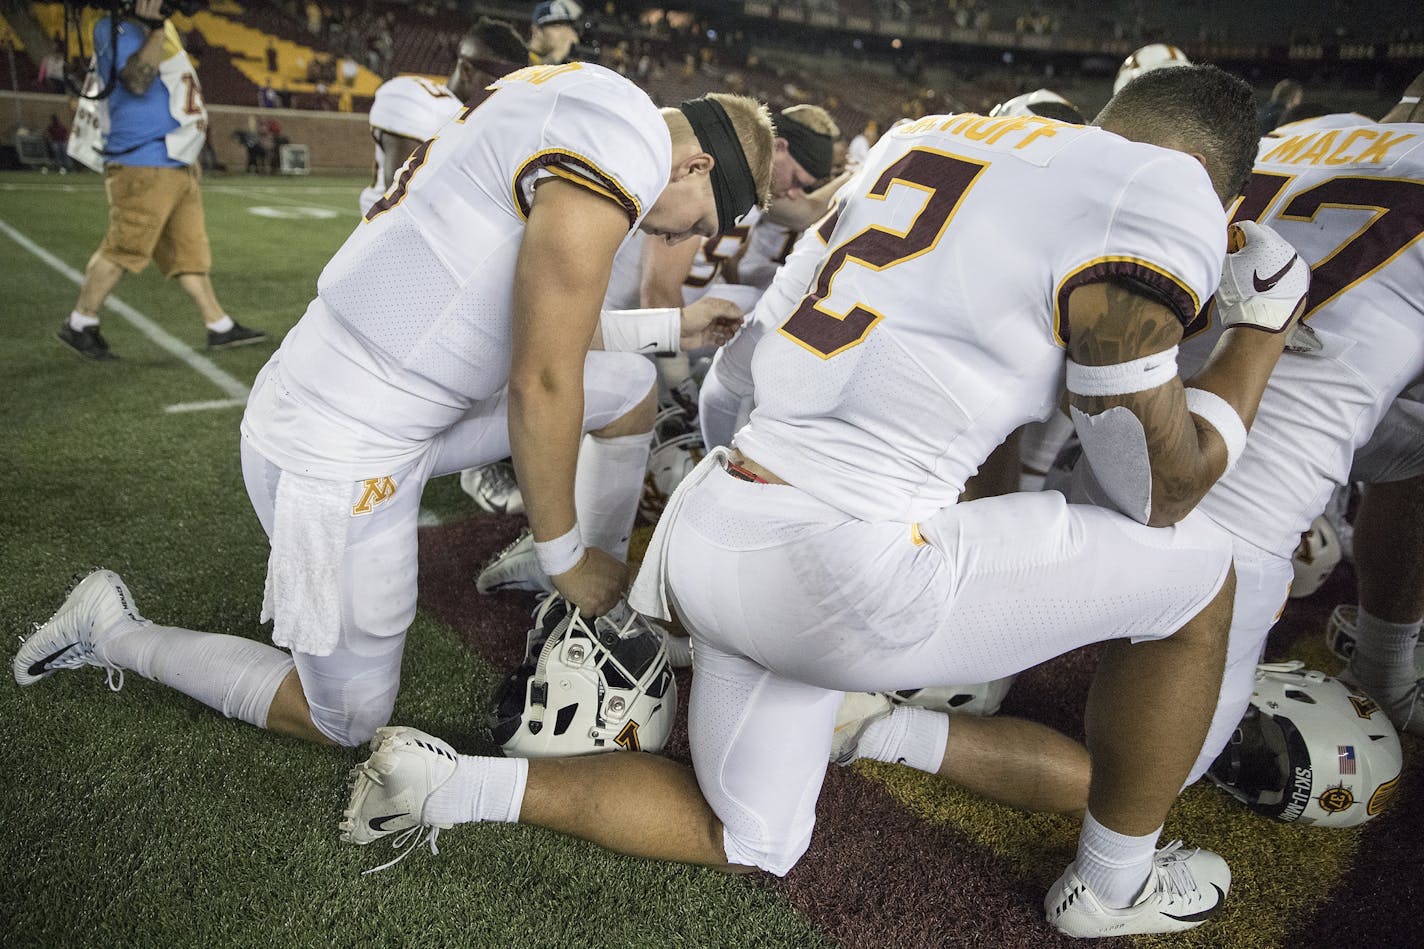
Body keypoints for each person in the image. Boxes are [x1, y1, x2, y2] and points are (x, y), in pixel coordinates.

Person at [337, 66, 1302, 939]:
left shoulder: (928, 134)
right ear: (1214, 184)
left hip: (717, 524)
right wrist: (1256, 330)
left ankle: (451, 784)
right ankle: (1114, 881)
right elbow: (1153, 487)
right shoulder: (1159, 185)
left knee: (754, 833)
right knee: (1203, 572)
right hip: (851, 573)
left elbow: (733, 380)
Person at [17, 66, 773, 760]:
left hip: (380, 400)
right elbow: (540, 377)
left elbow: (529, 322)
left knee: (627, 388)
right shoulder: (627, 146)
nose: (683, 239)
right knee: (343, 718)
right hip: (338, 454)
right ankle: (113, 630)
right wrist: (564, 557)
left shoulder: (587, 92)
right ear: (695, 165)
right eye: (700, 220)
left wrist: (672, 328)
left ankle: (575, 607)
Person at [471, 103, 842, 584]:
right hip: (522, 355)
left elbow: (811, 207)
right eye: (799, 175)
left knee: (648, 395)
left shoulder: (728, 184)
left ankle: (577, 547)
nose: (795, 190)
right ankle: (547, 538)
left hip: (587, 333)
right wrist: (679, 385)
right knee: (674, 465)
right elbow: (646, 294)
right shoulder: (654, 181)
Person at [59, 0, 264, 360]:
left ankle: (219, 325)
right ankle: (80, 322)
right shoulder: (113, 27)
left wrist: (158, 24)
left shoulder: (153, 28)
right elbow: (138, 80)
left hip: (175, 158)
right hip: (143, 159)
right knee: (124, 248)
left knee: (189, 253)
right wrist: (155, 27)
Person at [356, 16, 527, 217]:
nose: (507, 94)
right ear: (466, 71)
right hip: (395, 242)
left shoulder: (497, 121)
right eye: (500, 83)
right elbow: (406, 200)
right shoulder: (417, 96)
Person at [528, 0, 581, 66]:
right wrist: (559, 53)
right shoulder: (519, 55)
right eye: (557, 26)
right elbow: (531, 73)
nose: (566, 33)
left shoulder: (562, 62)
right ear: (536, 30)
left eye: (567, 27)